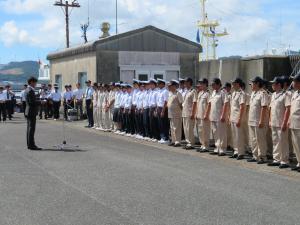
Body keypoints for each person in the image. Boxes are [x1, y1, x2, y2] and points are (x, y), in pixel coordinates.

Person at [268, 76, 291, 168]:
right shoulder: (273, 95)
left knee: (283, 142)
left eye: (274, 83)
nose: (272, 85)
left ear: (279, 85)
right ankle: (276, 159)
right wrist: (269, 120)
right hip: (274, 122)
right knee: (275, 141)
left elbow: (288, 109)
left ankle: (284, 160)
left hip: (281, 122)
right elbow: (271, 109)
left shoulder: (285, 95)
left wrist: (285, 122)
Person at [205, 78, 229, 156]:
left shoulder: (223, 92)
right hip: (213, 116)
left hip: (220, 116)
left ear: (218, 84)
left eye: (213, 84)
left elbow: (225, 104)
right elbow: (210, 104)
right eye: (212, 85)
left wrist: (223, 115)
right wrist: (208, 114)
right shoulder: (213, 93)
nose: (212, 86)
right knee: (215, 133)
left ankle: (222, 149)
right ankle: (217, 148)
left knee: (221, 133)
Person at [247, 76, 269, 164]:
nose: (251, 85)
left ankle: (263, 157)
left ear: (257, 84)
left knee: (260, 140)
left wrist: (261, 120)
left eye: (252, 83)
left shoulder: (263, 93)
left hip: (258, 121)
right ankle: (255, 156)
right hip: (252, 120)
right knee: (253, 140)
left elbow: (264, 107)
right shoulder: (253, 93)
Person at [229, 78, 246, 160]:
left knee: (239, 136)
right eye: (232, 83)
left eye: (234, 83)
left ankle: (241, 152)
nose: (233, 85)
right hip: (233, 117)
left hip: (238, 117)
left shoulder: (241, 93)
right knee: (234, 136)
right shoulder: (234, 93)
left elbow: (242, 107)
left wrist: (240, 119)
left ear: (238, 84)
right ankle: (236, 151)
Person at [24, 77, 42, 150]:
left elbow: (31, 100)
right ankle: (31, 145)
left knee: (29, 129)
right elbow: (32, 102)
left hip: (28, 111)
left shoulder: (27, 90)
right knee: (31, 129)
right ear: (31, 82)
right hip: (31, 111)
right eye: (35, 82)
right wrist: (41, 102)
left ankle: (29, 144)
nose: (35, 84)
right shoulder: (30, 90)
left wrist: (37, 97)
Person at [195, 78, 211, 153]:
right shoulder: (200, 93)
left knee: (205, 131)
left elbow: (209, 105)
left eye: (201, 83)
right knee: (200, 131)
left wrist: (206, 114)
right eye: (200, 83)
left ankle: (206, 146)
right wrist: (196, 113)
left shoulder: (208, 94)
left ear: (205, 84)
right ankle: (202, 145)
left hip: (204, 116)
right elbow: (198, 105)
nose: (200, 85)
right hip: (199, 115)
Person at [182, 78, 197, 150]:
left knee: (189, 129)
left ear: (189, 83)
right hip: (184, 112)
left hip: (189, 112)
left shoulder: (193, 91)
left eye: (186, 82)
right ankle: (188, 142)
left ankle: (191, 143)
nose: (184, 84)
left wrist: (193, 113)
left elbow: (194, 102)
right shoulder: (187, 91)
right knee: (186, 129)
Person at [289, 74, 300, 172]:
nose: (293, 83)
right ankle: (299, 162)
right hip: (294, 123)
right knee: (296, 145)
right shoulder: (295, 93)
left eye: (295, 81)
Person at [167, 80, 183, 147]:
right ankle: (173, 140)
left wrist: (180, 112)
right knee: (172, 128)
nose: (168, 87)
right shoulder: (170, 94)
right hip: (171, 114)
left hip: (176, 113)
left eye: (170, 86)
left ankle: (177, 141)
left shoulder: (178, 93)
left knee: (176, 128)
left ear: (174, 86)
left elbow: (181, 104)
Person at [156, 79, 170, 144]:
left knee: (164, 124)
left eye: (159, 83)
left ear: (162, 84)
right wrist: (156, 109)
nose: (158, 85)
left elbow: (165, 102)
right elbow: (158, 102)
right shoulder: (159, 91)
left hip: (163, 109)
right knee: (160, 124)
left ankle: (166, 138)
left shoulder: (165, 91)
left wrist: (163, 111)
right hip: (159, 108)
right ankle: (162, 137)